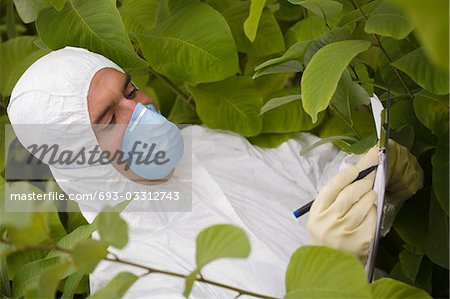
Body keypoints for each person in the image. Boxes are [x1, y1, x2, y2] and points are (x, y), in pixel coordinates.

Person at [6, 47, 423, 298]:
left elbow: (300, 166)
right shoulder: (126, 273)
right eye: (109, 117)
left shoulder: (196, 144)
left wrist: (369, 179)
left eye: (130, 91)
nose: (142, 111)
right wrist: (326, 273)